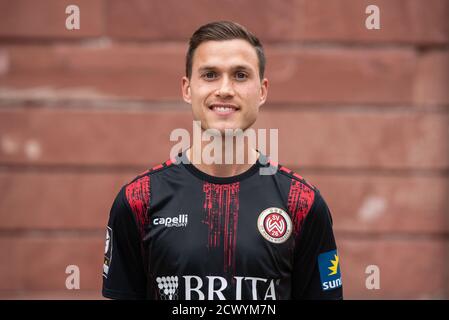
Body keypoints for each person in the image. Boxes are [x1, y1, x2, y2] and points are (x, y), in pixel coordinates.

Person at [102, 21, 343, 300]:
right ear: (187, 89)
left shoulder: (302, 204)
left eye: (240, 75)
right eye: (210, 75)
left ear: (262, 90)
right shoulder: (139, 201)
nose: (225, 89)